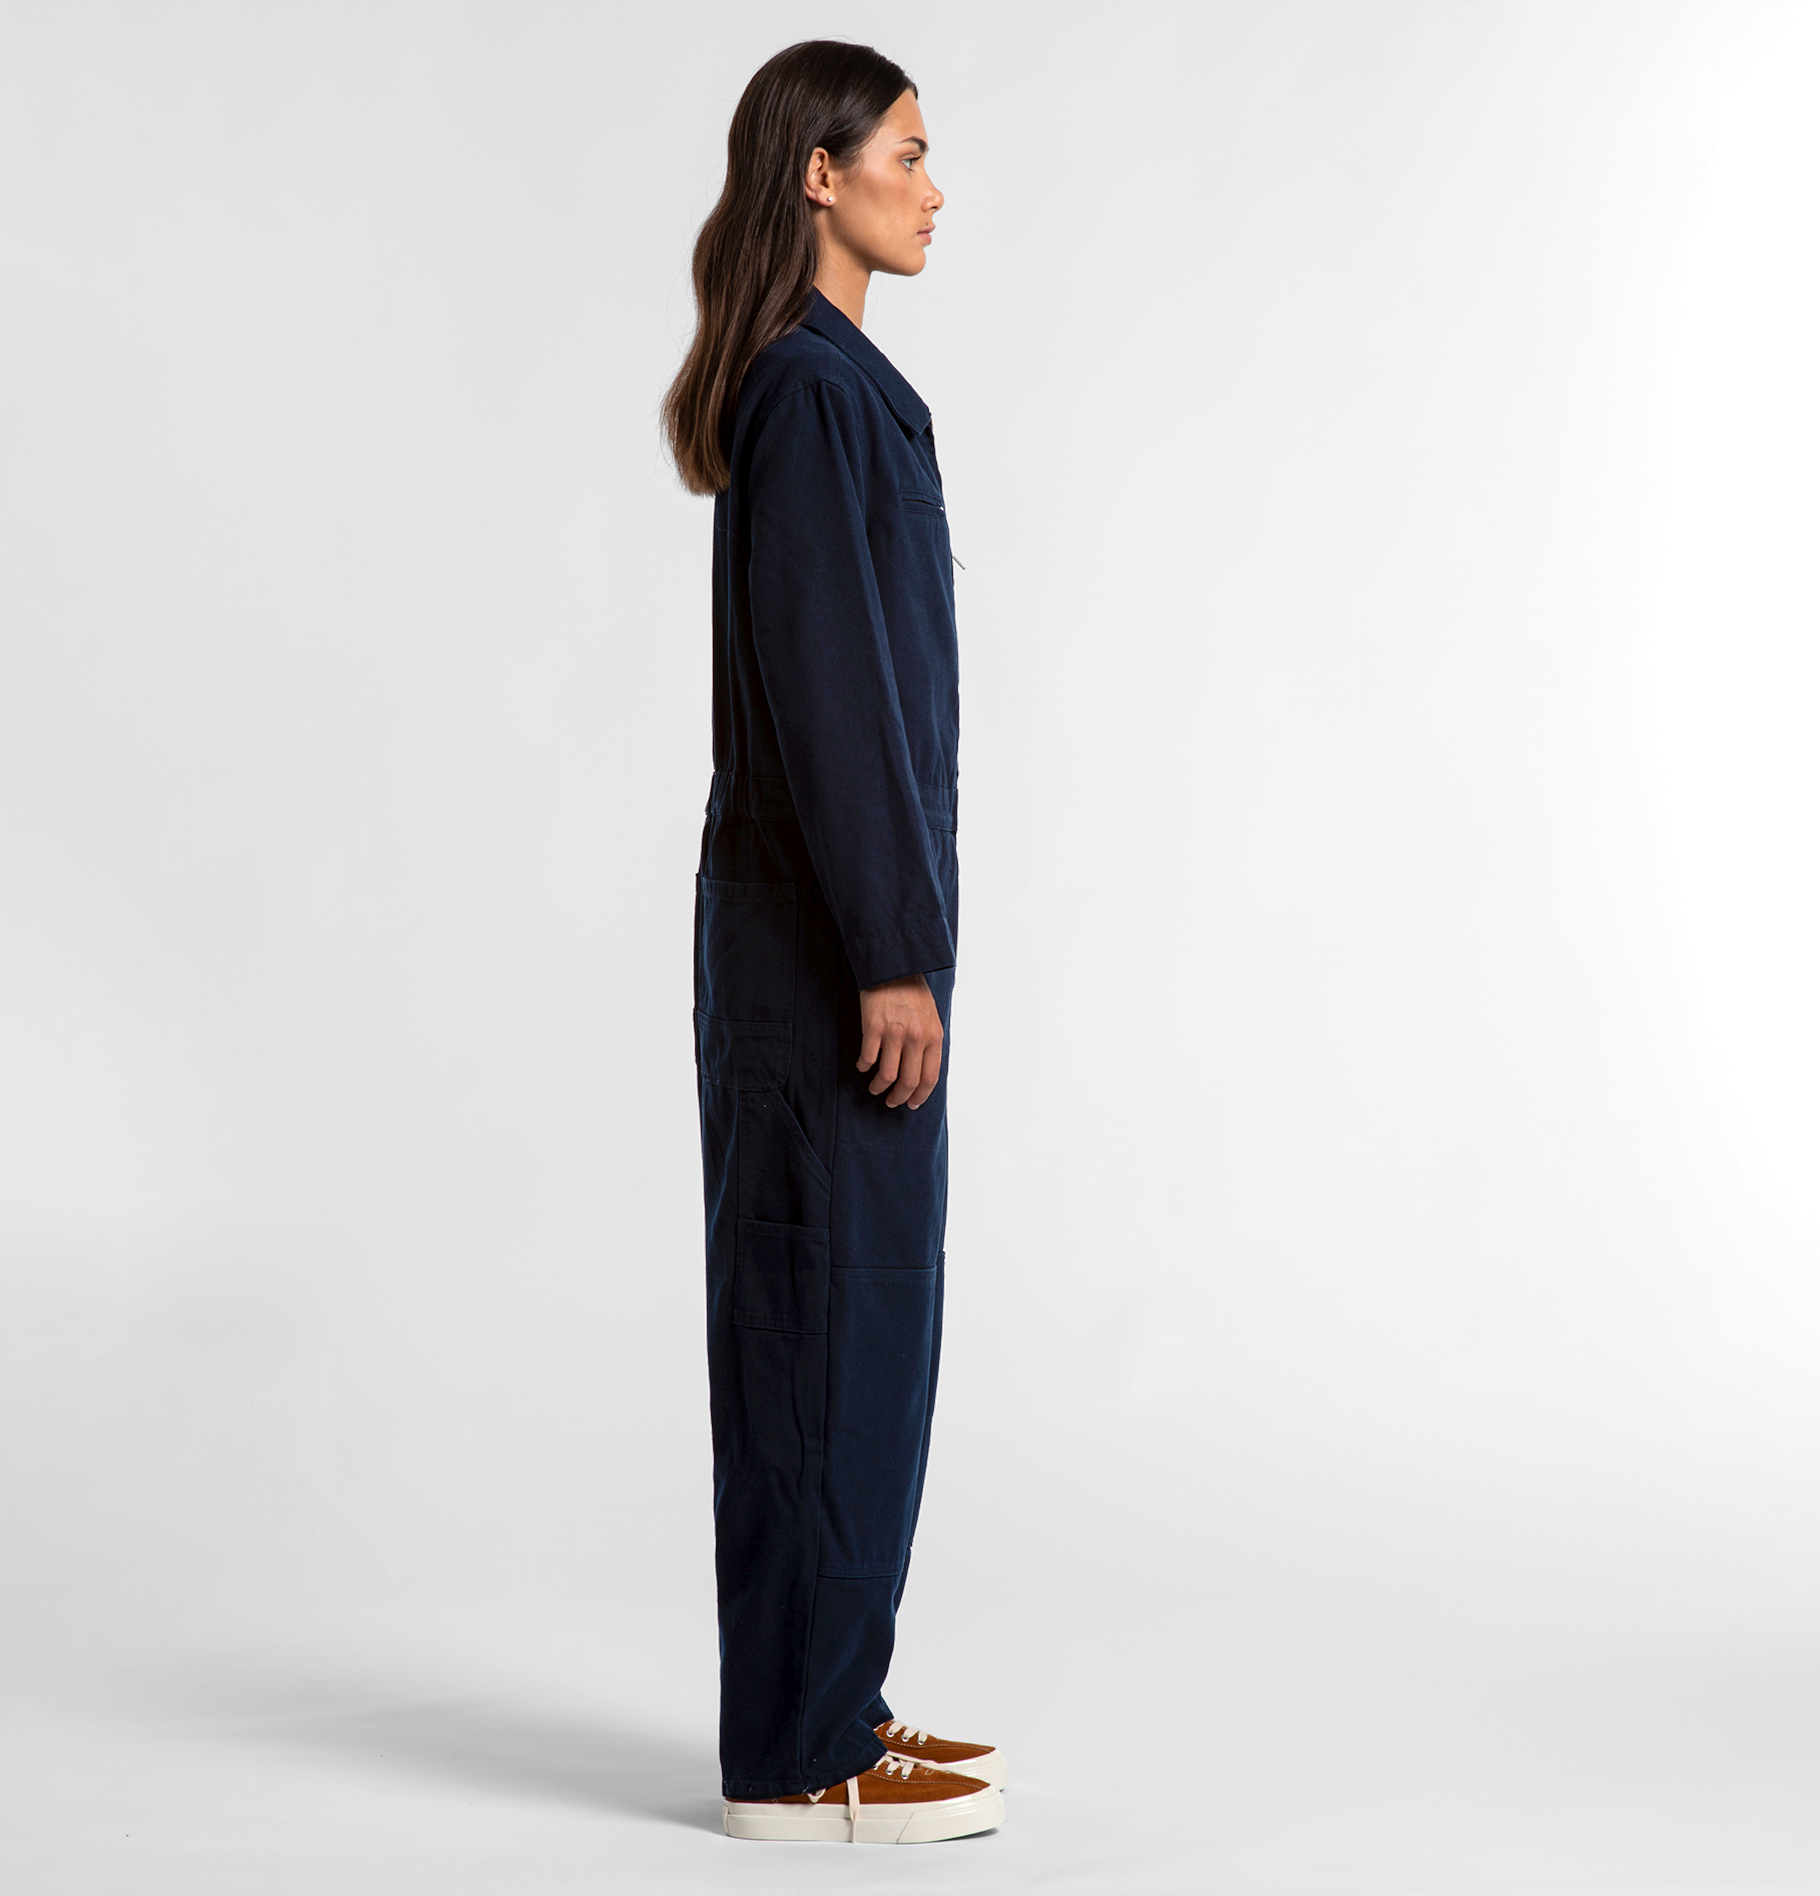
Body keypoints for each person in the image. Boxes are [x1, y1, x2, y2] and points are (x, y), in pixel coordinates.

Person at [662, 41, 1005, 1846]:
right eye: (911, 154)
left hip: (841, 942)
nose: (935, 190)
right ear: (822, 171)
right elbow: (831, 694)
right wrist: (890, 949)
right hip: (820, 960)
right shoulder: (808, 390)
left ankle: (834, 1703)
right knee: (812, 1328)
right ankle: (795, 1756)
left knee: (862, 1327)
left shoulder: (837, 387)